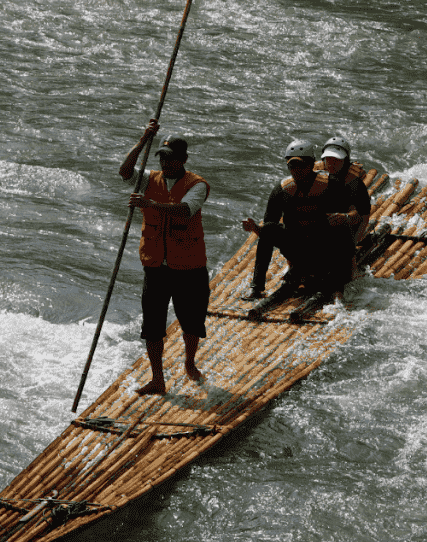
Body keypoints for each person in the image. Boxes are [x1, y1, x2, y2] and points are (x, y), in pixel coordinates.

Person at [119, 119, 211, 395]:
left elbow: (185, 210)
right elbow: (124, 171)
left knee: (191, 320)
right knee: (153, 325)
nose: (165, 163)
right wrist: (145, 139)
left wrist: (150, 204)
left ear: (183, 159)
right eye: (162, 157)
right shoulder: (149, 178)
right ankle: (157, 379)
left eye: (171, 158)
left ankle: (189, 362)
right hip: (156, 265)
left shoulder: (198, 184)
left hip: (189, 266)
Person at [240, 138, 362, 318]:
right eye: (292, 167)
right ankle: (257, 287)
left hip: (326, 248)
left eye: (301, 166)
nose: (297, 171)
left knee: (340, 225)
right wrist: (255, 229)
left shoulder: (332, 185)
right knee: (269, 228)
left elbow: (354, 217)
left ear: (312, 165)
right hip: (298, 249)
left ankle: (338, 282)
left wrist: (343, 219)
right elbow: (269, 232)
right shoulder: (281, 191)